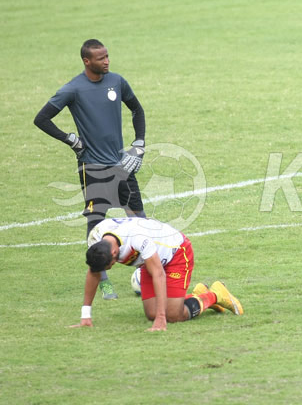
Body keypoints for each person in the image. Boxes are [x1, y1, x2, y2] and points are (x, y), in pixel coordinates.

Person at [34, 39, 148, 300]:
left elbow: (137, 110)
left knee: (140, 220)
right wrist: (70, 140)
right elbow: (41, 118)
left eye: (107, 56)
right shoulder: (73, 89)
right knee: (96, 224)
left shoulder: (117, 81)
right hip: (93, 167)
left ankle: (147, 272)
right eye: (100, 58)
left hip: (122, 165)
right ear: (87, 61)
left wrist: (139, 144)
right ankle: (103, 281)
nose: (106, 61)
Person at [75, 217, 244, 332]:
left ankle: (215, 295)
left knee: (173, 315)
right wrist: (85, 316)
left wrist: (162, 318)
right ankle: (196, 295)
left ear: (114, 252)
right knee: (151, 314)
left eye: (110, 265)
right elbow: (94, 272)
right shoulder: (96, 237)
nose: (110, 268)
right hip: (148, 261)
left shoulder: (137, 238)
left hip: (177, 253)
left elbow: (158, 274)